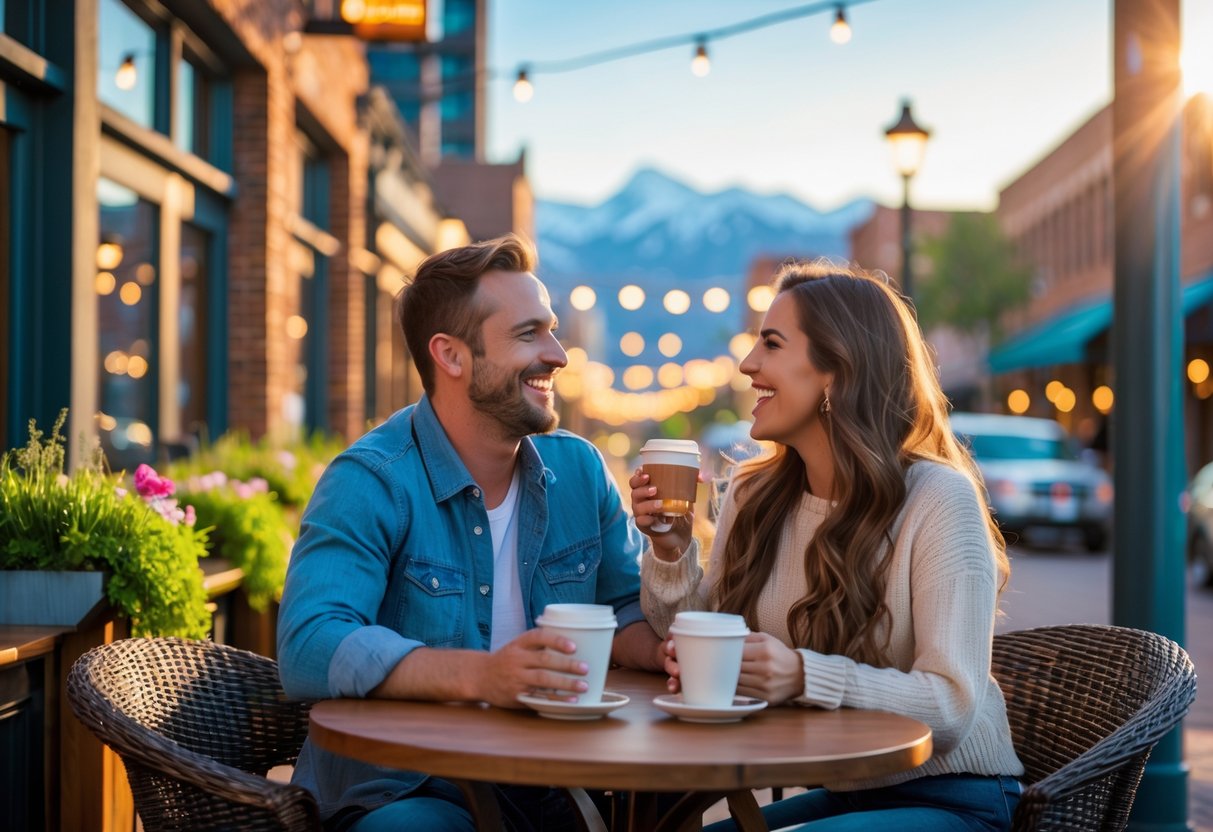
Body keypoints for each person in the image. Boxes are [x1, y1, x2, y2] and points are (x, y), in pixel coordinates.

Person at [278, 234, 665, 832]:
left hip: (558, 780)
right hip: (410, 788)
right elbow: (310, 642)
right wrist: (484, 677)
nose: (558, 354)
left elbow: (621, 613)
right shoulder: (371, 479)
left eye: (553, 330)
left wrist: (671, 650)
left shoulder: (581, 470)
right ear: (451, 356)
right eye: (528, 334)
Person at [631, 261, 1025, 832]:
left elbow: (952, 707)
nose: (747, 365)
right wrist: (670, 551)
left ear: (836, 373)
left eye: (771, 343)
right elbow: (707, 648)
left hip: (954, 796)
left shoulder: (939, 499)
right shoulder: (753, 492)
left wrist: (800, 676)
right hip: (848, 794)